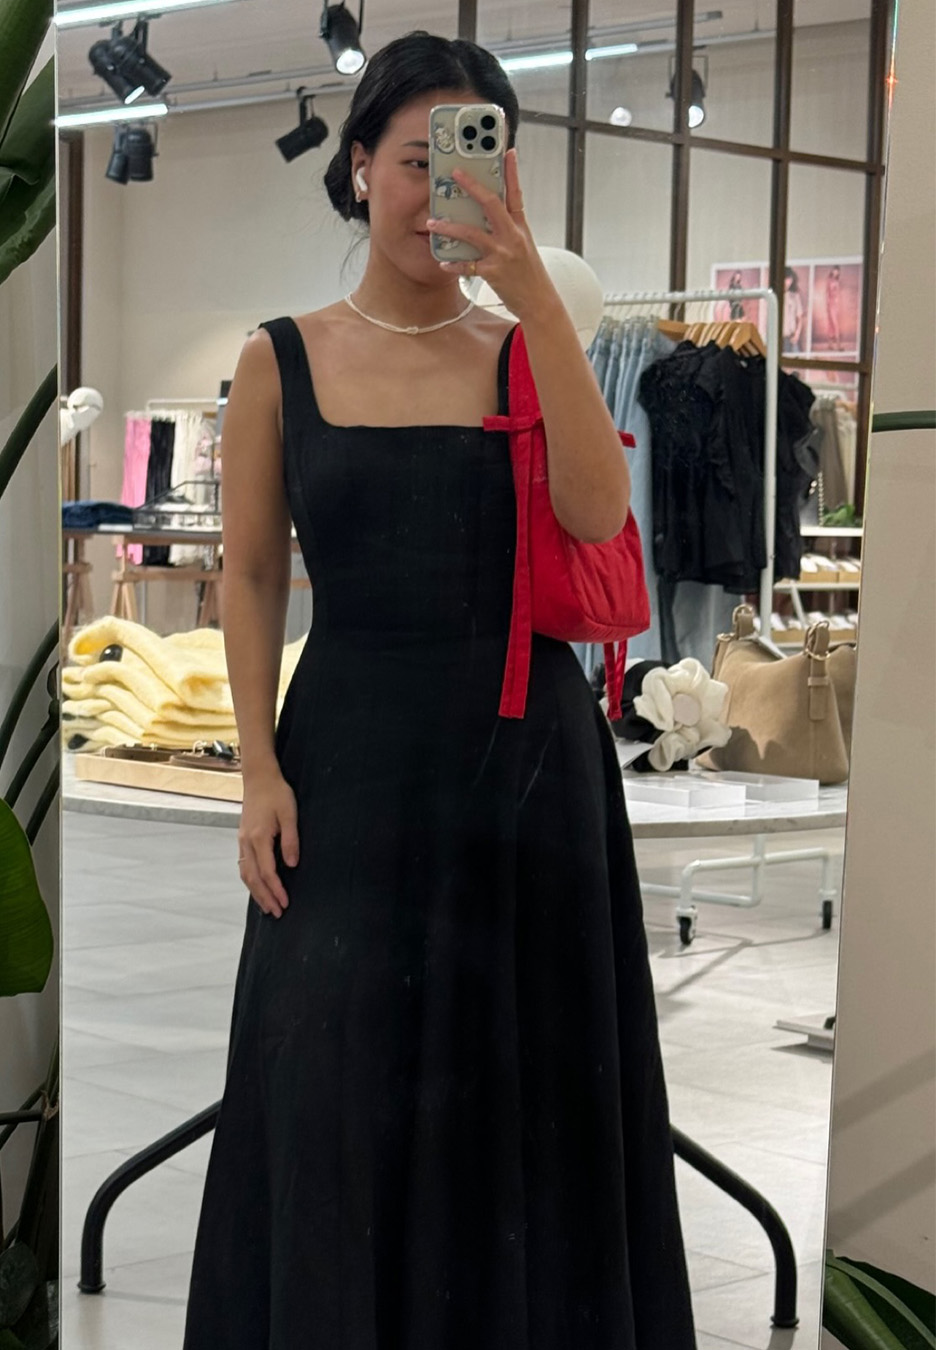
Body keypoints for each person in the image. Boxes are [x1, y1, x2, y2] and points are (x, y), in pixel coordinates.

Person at [182, 30, 696, 1349]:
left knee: (523, 1091)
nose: (436, 195)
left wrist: (535, 303)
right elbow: (252, 573)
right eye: (416, 162)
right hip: (348, 766)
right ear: (358, 166)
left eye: (469, 164)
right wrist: (256, 768)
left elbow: (597, 513)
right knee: (331, 1079)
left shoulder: (525, 350)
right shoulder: (281, 360)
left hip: (529, 775)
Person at [783, 265, 806, 354]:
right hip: (779, 337)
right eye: (786, 279)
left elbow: (800, 318)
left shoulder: (795, 296)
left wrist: (797, 334)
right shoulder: (775, 296)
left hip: (791, 337)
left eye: (789, 279)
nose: (787, 282)